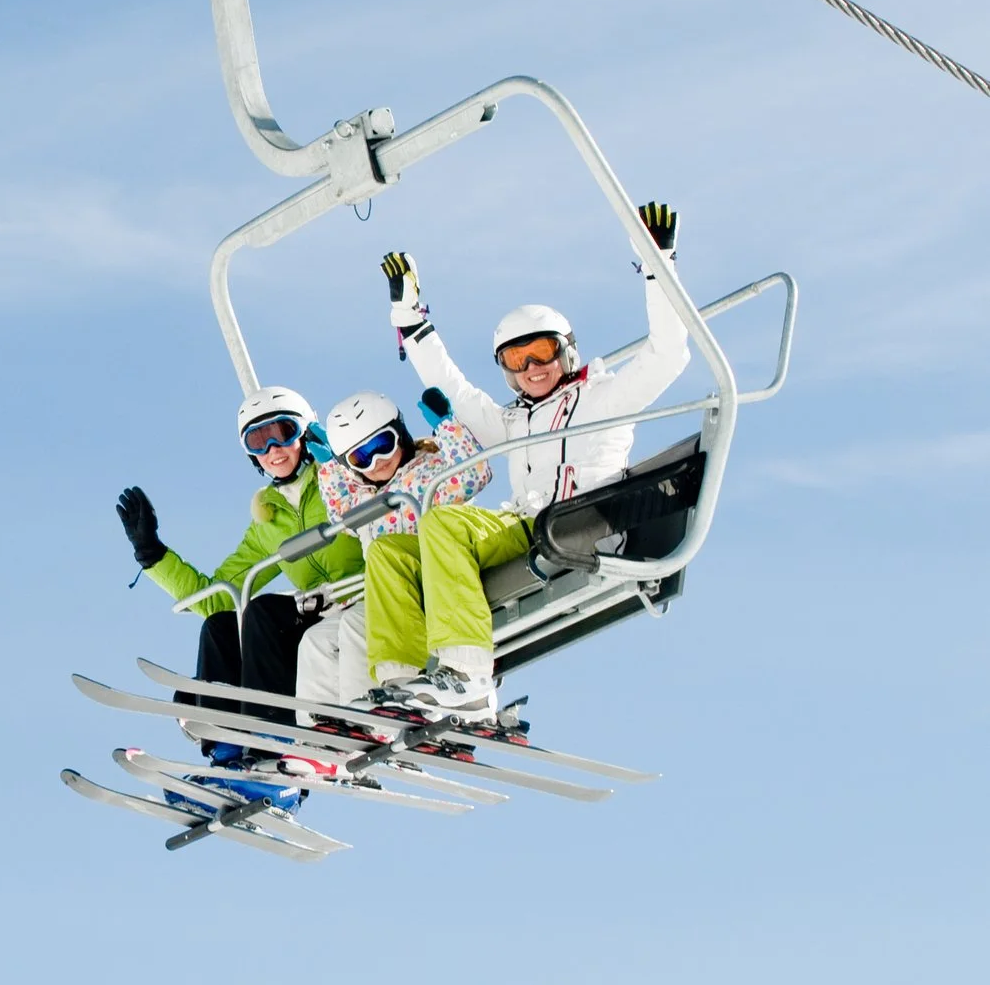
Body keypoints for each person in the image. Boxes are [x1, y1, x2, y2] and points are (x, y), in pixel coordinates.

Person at [364, 202, 690, 719]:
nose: (532, 368)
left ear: (567, 351)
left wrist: (658, 266)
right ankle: (400, 683)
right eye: (516, 360)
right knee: (390, 552)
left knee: (444, 523)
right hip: (527, 527)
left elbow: (669, 353)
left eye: (542, 351)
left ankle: (468, 677)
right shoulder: (516, 421)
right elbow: (456, 391)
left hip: (581, 522)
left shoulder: (605, 398)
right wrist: (410, 320)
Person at [114, 387, 363, 786]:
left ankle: (275, 742)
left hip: (361, 599)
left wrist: (336, 465)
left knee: (264, 613)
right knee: (222, 625)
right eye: (258, 441)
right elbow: (218, 597)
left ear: (307, 433)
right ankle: (227, 750)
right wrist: (153, 554)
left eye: (282, 432)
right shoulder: (269, 520)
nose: (273, 450)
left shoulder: (344, 480)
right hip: (315, 615)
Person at [300, 387, 490, 717]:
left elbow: (473, 475)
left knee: (357, 623)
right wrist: (329, 466)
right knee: (316, 640)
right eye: (361, 458)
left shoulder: (430, 470)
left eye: (382, 444)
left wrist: (447, 426)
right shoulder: (363, 498)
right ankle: (319, 729)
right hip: (392, 590)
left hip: (435, 575)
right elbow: (339, 511)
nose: (377, 461)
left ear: (400, 433)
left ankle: (378, 706)